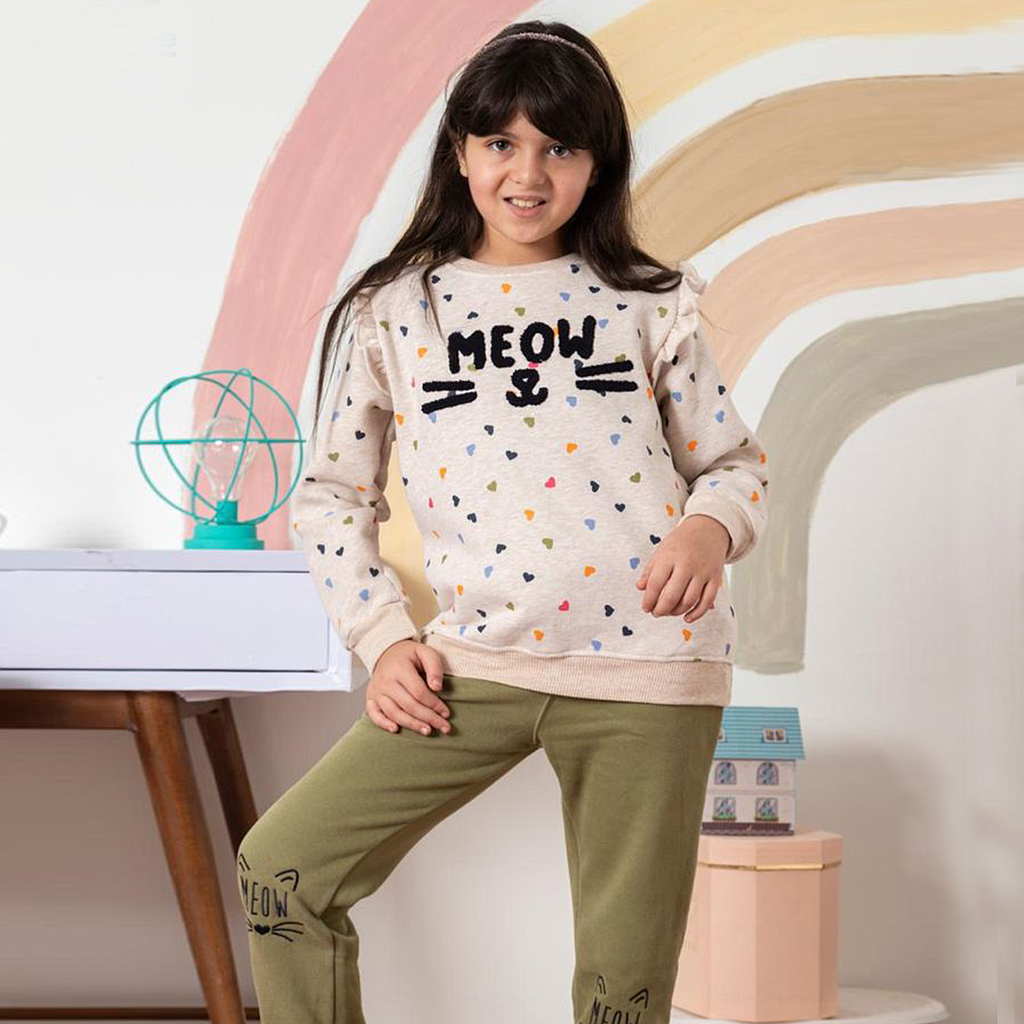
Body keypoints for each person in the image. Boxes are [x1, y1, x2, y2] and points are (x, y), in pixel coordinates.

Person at [236, 19, 769, 1024]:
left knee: (621, 989)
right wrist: (381, 636)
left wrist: (708, 530)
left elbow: (734, 464)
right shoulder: (396, 310)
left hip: (647, 670)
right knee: (283, 874)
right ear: (461, 153)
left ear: (597, 163)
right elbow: (332, 496)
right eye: (501, 143)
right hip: (470, 665)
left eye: (559, 146)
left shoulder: (647, 302)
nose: (528, 174)